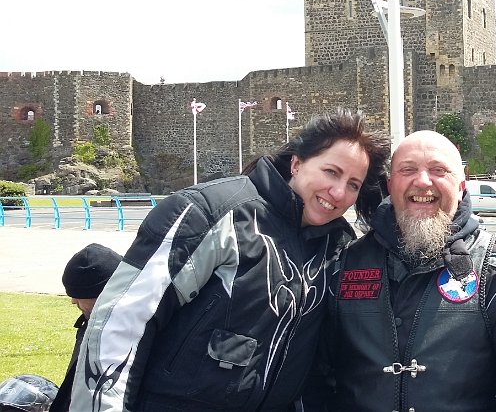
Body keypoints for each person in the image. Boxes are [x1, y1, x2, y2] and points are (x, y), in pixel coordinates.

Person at [71, 108, 390, 412]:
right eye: (331, 172)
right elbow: (120, 323)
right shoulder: (211, 213)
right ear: (296, 163)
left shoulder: (336, 247)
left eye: (353, 184)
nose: (338, 192)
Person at [305, 130, 496, 412]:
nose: (423, 181)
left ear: (461, 186)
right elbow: (313, 373)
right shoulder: (343, 263)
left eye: (438, 170)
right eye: (408, 170)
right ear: (390, 185)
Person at [49, 243, 123, 412]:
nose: (73, 301)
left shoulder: (126, 337)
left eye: (79, 295)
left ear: (102, 294)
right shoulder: (91, 323)